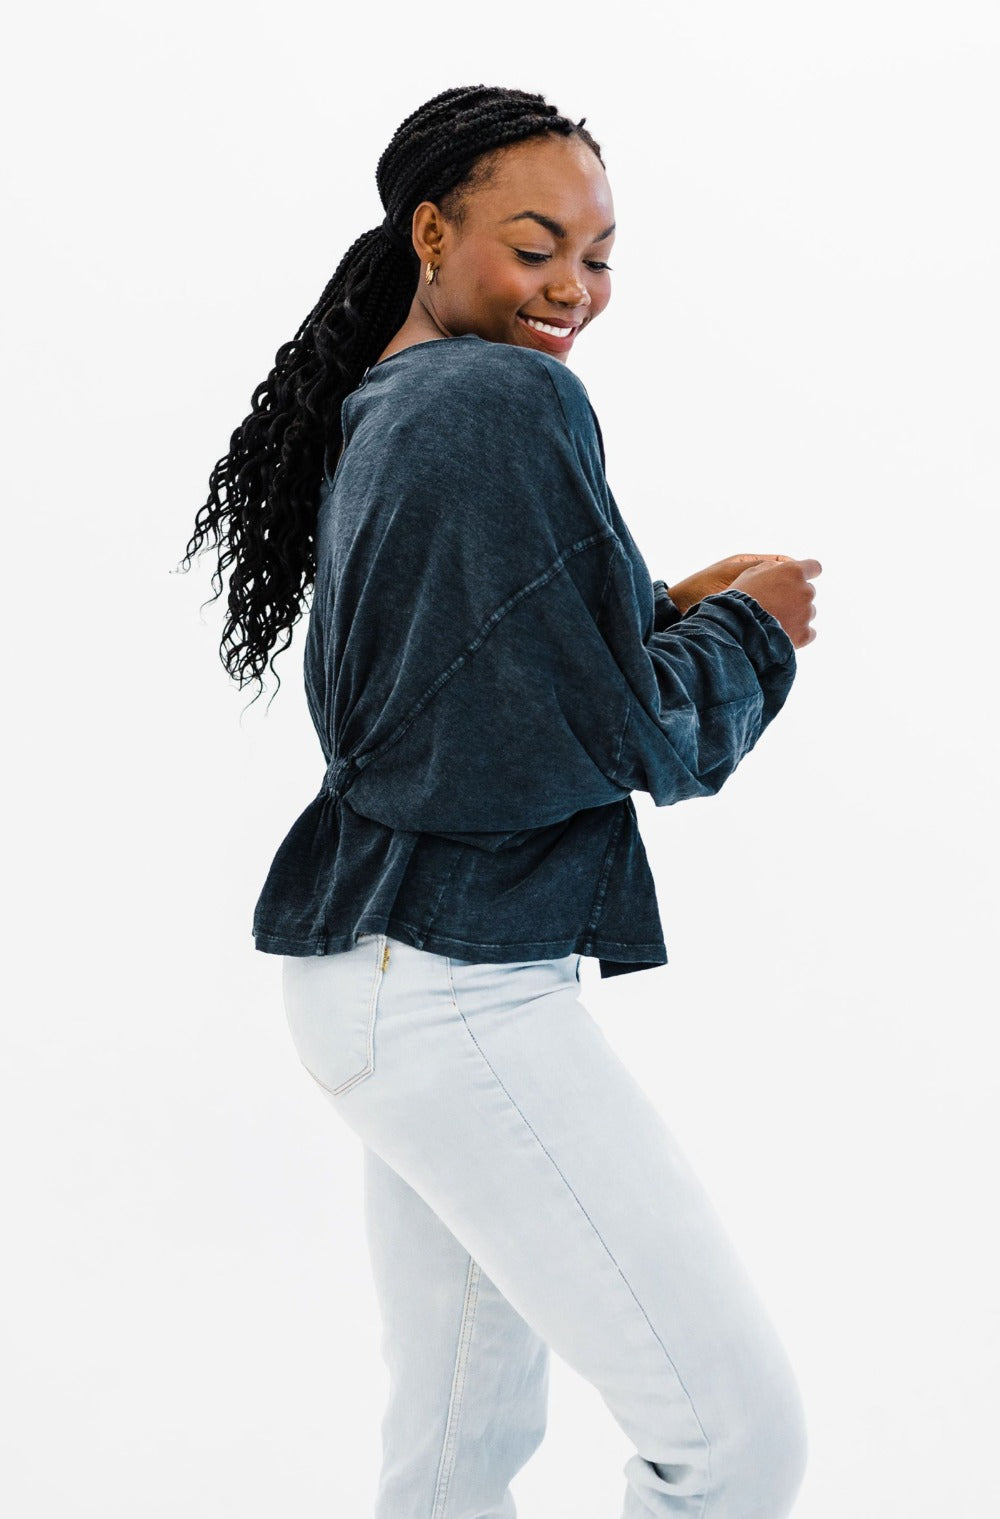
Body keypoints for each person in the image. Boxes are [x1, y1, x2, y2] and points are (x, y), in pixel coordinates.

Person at [181, 84, 819, 1519]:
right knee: (737, 1442)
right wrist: (755, 635)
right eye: (537, 247)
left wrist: (665, 609)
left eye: (599, 256)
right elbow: (608, 732)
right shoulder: (502, 397)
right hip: (451, 989)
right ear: (430, 232)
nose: (573, 288)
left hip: (376, 970)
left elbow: (473, 686)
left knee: (458, 1448)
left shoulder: (395, 398)